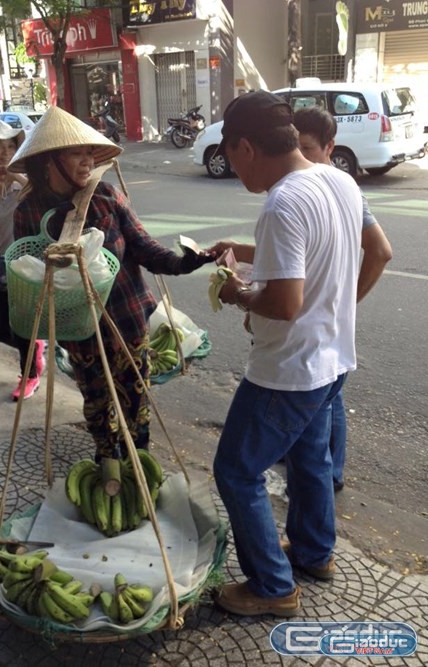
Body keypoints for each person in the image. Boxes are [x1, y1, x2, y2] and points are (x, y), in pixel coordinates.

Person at [207, 91, 363, 617]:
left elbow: (283, 301)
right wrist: (245, 253)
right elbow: (334, 255)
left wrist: (237, 293)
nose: (234, 171)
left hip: (289, 370)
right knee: (309, 457)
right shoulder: (336, 179)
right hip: (333, 359)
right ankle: (316, 553)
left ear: (246, 146)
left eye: (231, 158)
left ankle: (272, 588)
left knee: (235, 471)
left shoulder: (282, 202)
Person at [8, 105, 214, 462]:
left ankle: (140, 473)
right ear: (50, 161)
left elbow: (144, 248)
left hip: (128, 322)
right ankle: (109, 472)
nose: (88, 160)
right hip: (81, 332)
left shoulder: (105, 195)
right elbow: (25, 270)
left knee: (136, 410)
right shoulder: (29, 211)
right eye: (77, 152)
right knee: (99, 413)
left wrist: (184, 263)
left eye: (90, 152)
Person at [293, 106, 392, 491]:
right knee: (329, 396)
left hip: (318, 327)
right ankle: (325, 472)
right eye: (293, 146)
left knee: (325, 398)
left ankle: (326, 476)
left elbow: (381, 251)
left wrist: (347, 302)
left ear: (330, 146)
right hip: (326, 324)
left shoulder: (336, 186)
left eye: (307, 148)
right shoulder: (322, 184)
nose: (298, 158)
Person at [0, 119, 46, 400]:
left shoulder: (27, 183)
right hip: (2, 267)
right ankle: (36, 348)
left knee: (23, 327)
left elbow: (42, 197)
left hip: (31, 265)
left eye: (10, 146)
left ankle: (31, 374)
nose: (4, 152)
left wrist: (14, 176)